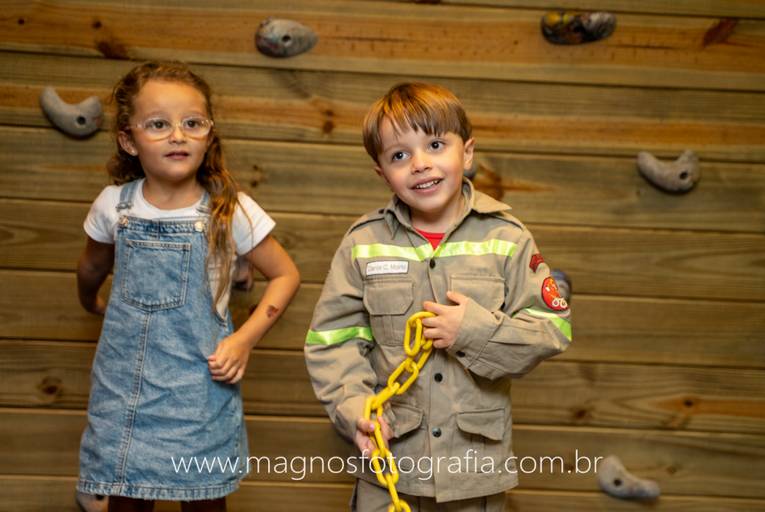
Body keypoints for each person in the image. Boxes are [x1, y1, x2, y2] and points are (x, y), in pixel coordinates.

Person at [304, 83, 572, 511]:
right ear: (381, 172)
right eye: (399, 155)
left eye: (434, 145)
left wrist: (471, 331)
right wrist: (354, 406)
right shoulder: (363, 244)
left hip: (474, 471)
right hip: (391, 463)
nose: (420, 164)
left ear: (467, 153)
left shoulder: (507, 238)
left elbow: (551, 328)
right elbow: (333, 340)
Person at [76, 61, 300, 511]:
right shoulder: (113, 206)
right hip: (125, 388)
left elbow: (285, 275)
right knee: (127, 495)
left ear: (208, 136)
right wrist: (90, 300)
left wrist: (243, 340)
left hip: (200, 387)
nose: (177, 135)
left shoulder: (230, 210)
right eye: (158, 124)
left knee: (202, 498)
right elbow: (91, 266)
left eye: (192, 123)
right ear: (129, 140)